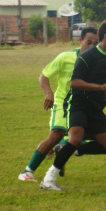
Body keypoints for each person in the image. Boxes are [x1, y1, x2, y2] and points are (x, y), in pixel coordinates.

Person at [40, 19, 106, 191]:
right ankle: (49, 179)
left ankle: (68, 149)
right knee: (76, 138)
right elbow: (75, 82)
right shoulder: (87, 57)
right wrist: (101, 88)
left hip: (94, 106)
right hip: (77, 102)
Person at [18, 26, 98, 182]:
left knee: (82, 138)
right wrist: (49, 93)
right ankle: (27, 172)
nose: (91, 47)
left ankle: (60, 151)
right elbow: (44, 76)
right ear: (80, 41)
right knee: (56, 135)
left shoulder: (97, 61)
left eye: (95, 44)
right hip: (63, 101)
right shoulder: (65, 57)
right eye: (88, 42)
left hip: (82, 104)